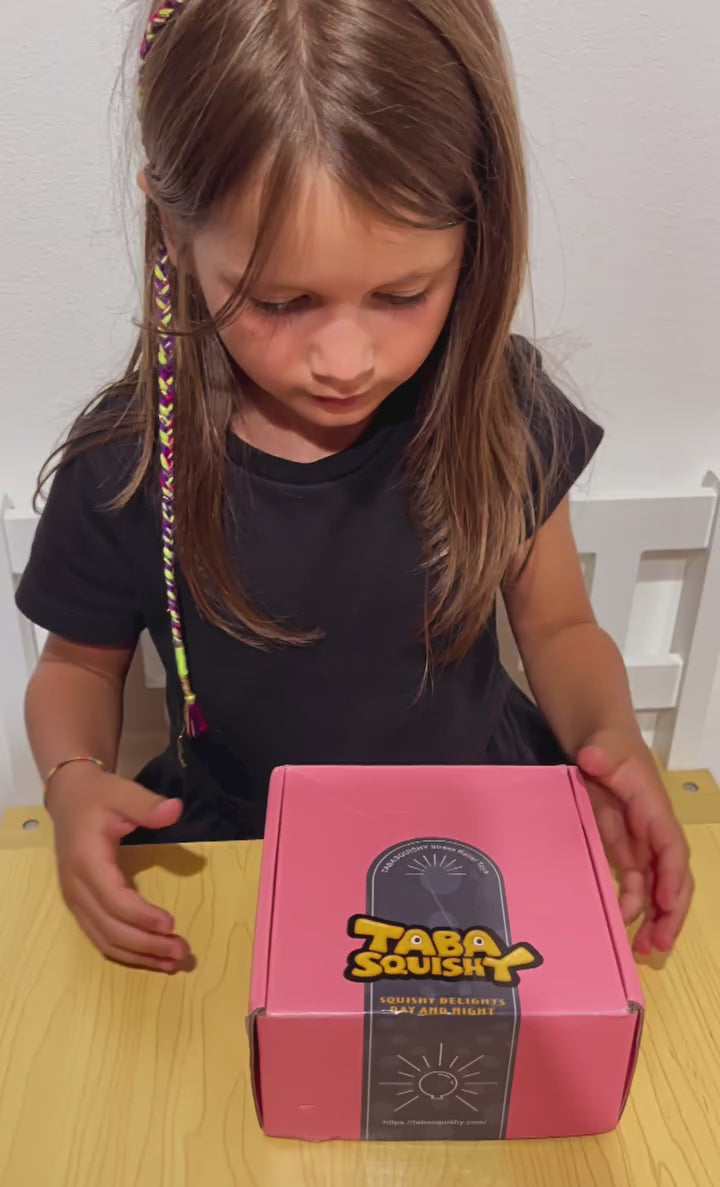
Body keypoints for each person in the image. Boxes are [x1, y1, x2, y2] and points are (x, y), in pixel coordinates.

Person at [18, 0, 693, 975]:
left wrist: (610, 737)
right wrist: (74, 776)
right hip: (248, 852)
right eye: (281, 301)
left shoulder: (495, 409)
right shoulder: (127, 463)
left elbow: (556, 627)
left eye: (402, 294)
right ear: (171, 227)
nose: (345, 359)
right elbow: (77, 670)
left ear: (475, 232)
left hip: (483, 832)